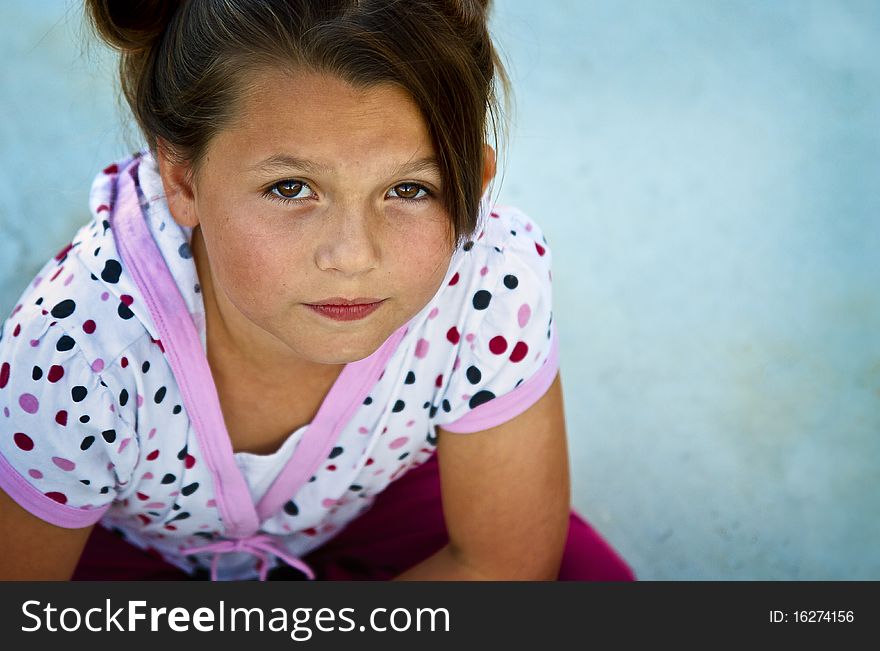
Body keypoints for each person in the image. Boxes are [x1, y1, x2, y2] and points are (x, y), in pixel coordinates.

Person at [0, 0, 635, 581]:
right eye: (291, 188)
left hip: (366, 509)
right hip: (120, 553)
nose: (353, 257)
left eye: (409, 190)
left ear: (476, 181)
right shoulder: (73, 349)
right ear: (183, 180)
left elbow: (500, 565)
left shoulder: (490, 281)